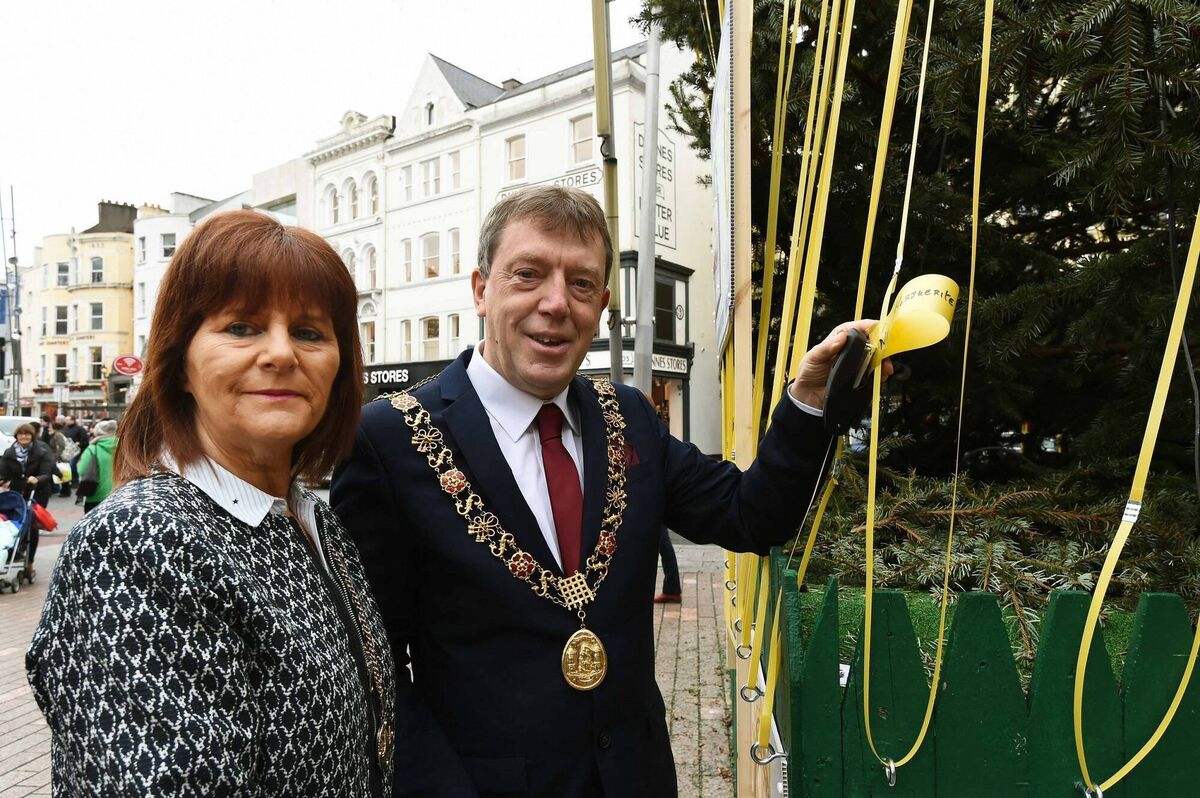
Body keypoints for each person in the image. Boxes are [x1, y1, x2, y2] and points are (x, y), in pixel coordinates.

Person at [333, 185, 886, 798]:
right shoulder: (390, 439)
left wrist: (808, 402)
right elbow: (373, 670)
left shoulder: (627, 414)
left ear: (601, 306)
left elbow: (751, 515)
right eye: (528, 274)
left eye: (582, 284)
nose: (555, 303)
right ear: (481, 289)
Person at [27, 210, 396, 796]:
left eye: (309, 332)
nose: (281, 354)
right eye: (242, 327)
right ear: (180, 365)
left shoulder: (311, 517)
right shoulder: (137, 543)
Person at [0, 423, 55, 581]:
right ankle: (16, 551)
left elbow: (47, 472)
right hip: (16, 493)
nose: (24, 437)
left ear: (32, 436)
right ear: (16, 436)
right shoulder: (9, 453)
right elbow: (3, 471)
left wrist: (37, 479)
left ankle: (29, 562)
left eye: (27, 434)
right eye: (21, 434)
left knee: (31, 525)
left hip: (37, 492)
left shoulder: (42, 452)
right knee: (15, 522)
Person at [76, 419, 117, 512]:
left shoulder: (93, 449)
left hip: (96, 495)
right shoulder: (124, 448)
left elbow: (82, 470)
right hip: (119, 494)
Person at [63, 415, 90, 499]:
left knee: (72, 464)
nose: (66, 422)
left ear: (73, 420)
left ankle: (75, 481)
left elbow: (84, 439)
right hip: (68, 450)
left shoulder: (80, 429)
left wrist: (79, 443)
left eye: (68, 420)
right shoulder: (65, 428)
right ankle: (69, 481)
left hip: (77, 450)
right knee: (67, 466)